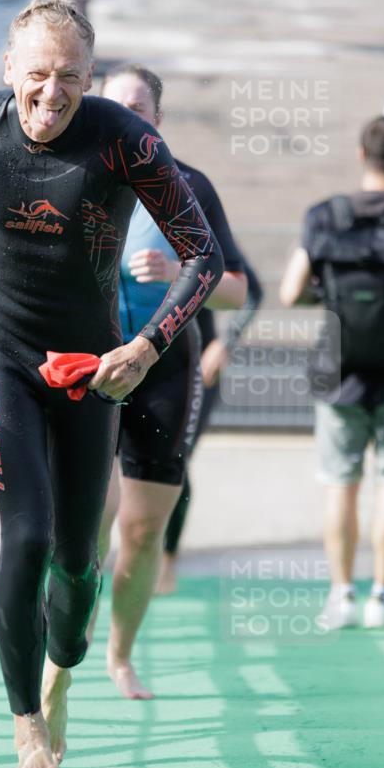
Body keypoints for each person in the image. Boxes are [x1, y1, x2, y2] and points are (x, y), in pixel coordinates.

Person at [0, 0, 225, 768]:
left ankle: (63, 674)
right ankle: (25, 727)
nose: (53, 95)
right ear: (10, 68)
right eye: (39, 76)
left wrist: (146, 346)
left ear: (90, 78)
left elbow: (203, 255)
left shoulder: (124, 141)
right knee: (27, 535)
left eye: (72, 80)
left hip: (91, 366)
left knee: (79, 564)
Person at [87, 63, 248, 699]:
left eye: (138, 109)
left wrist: (186, 269)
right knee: (89, 519)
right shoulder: (77, 178)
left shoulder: (190, 188)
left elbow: (235, 290)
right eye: (114, 107)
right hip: (89, 369)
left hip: (164, 368)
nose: (126, 118)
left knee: (143, 527)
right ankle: (68, 632)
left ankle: (120, 656)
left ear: (157, 120)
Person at [280, 115, 384, 630]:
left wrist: (330, 293)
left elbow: (291, 292)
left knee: (341, 484)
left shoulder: (324, 215)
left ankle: (342, 597)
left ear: (362, 156)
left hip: (337, 371)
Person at [156, 244, 263, 596]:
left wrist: (226, 343)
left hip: (195, 366)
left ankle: (167, 560)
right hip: (136, 364)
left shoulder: (195, 226)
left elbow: (253, 290)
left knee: (175, 461)